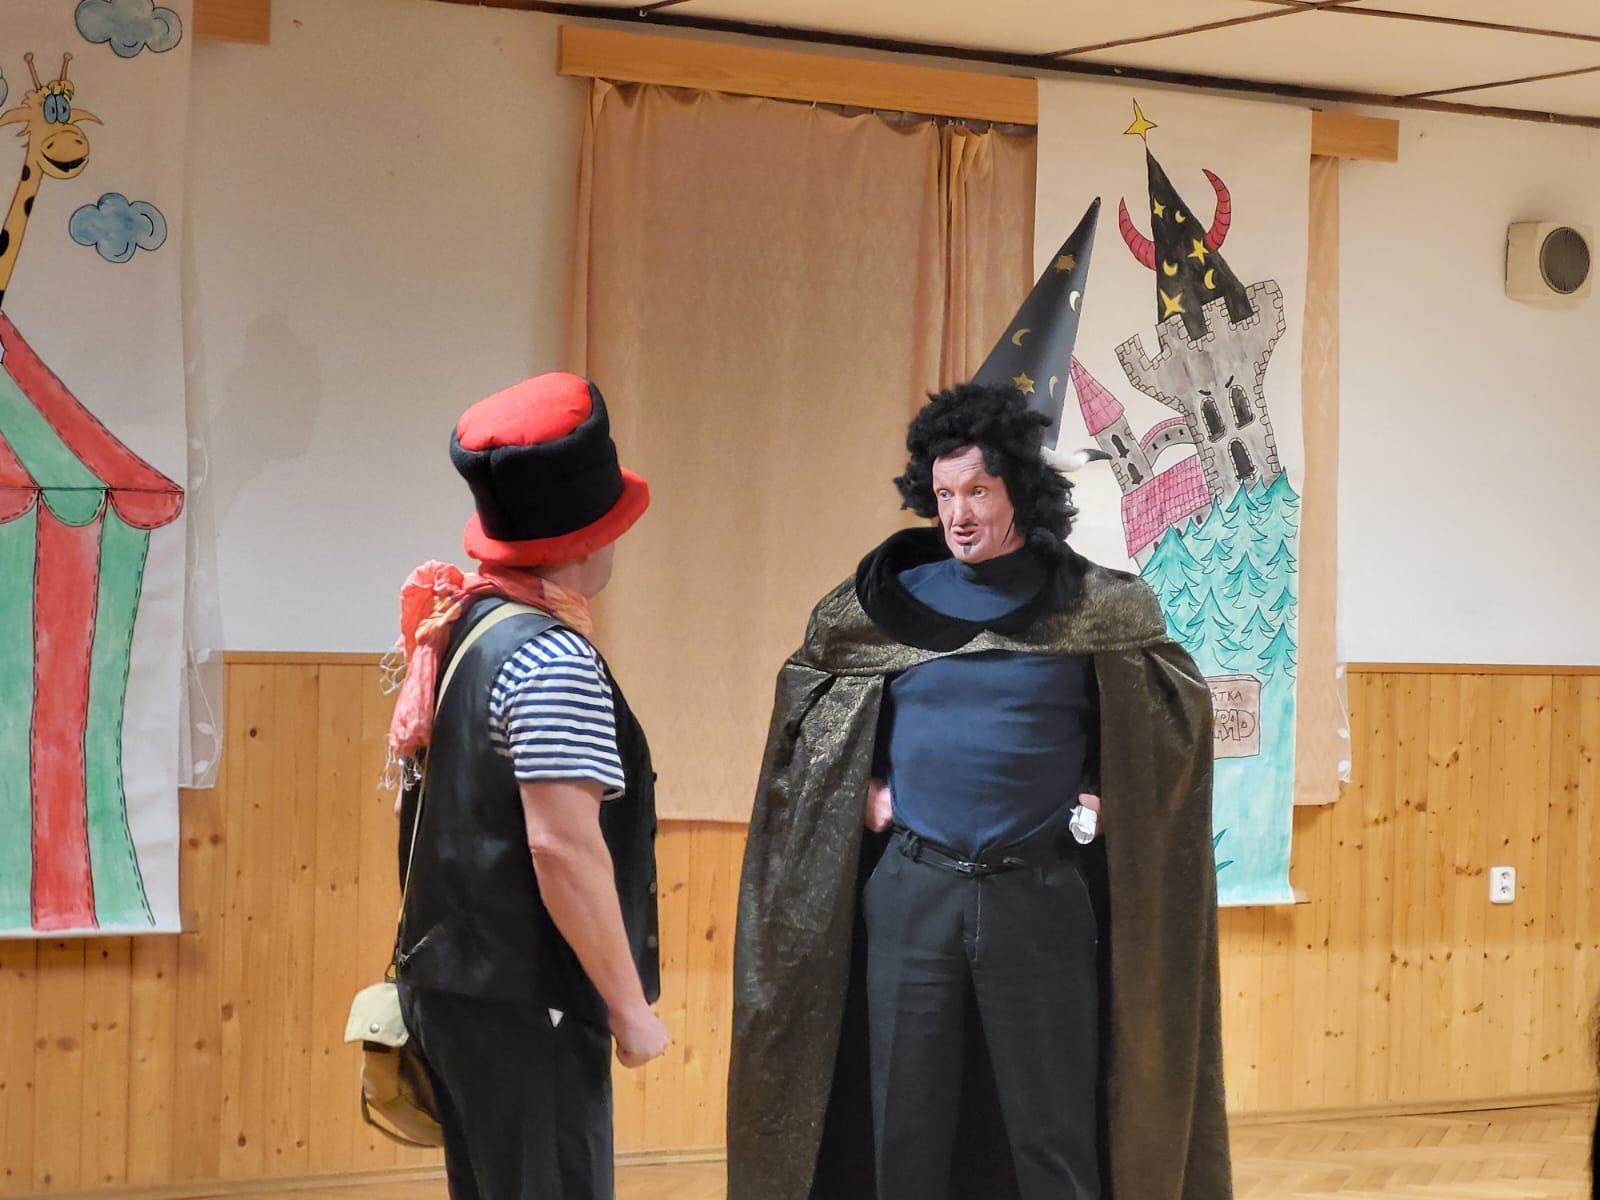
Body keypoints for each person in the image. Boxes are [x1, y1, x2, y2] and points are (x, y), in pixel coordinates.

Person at [727, 206, 1232, 1200]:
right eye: (944, 493)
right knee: (904, 1129)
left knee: (1051, 1132)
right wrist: (858, 790)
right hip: (911, 896)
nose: (957, 514)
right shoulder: (875, 609)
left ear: (1020, 495)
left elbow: (1159, 736)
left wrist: (1109, 792)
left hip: (1037, 898)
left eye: (978, 493)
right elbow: (814, 739)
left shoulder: (1100, 610)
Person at [386, 372, 668, 1200]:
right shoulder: (551, 658)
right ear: (589, 538)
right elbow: (562, 849)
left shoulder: (463, 627)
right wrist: (629, 1009)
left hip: (458, 994)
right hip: (525, 1003)